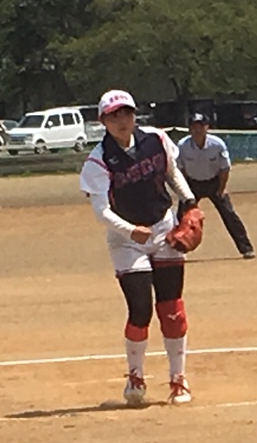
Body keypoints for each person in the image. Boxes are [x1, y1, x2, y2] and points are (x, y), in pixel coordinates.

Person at [79, 90, 198, 407]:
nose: (122, 121)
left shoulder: (157, 140)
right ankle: (136, 374)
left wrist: (188, 203)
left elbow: (172, 172)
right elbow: (101, 211)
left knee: (172, 309)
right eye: (114, 116)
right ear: (102, 120)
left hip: (163, 227)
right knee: (141, 308)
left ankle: (178, 379)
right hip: (126, 240)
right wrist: (131, 230)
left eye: (126, 113)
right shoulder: (98, 160)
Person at [173, 110, 255, 258]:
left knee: (229, 215)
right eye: (194, 126)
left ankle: (246, 248)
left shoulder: (217, 144)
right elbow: (181, 168)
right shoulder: (182, 145)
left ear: (207, 127)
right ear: (190, 128)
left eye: (201, 126)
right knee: (181, 217)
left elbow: (225, 168)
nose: (197, 130)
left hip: (214, 182)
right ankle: (178, 251)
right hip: (192, 183)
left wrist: (222, 188)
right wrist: (185, 190)